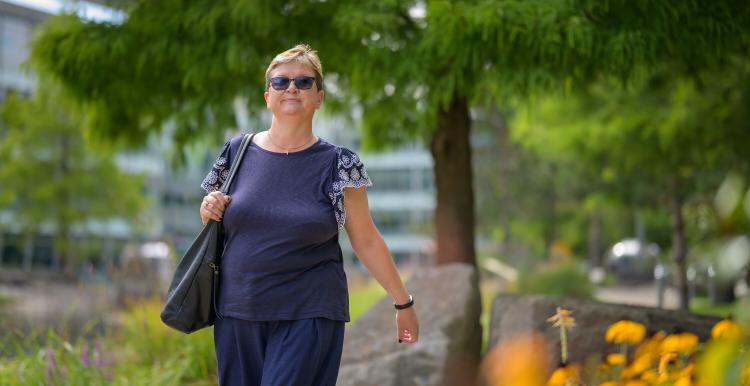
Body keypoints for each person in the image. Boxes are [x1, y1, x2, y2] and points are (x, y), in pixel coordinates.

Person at [198, 44, 420, 385]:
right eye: (281, 81)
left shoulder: (339, 163)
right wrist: (208, 209)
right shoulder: (235, 152)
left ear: (319, 97)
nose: (291, 88)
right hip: (237, 309)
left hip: (308, 311)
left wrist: (402, 304)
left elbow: (366, 239)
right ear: (266, 95)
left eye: (304, 82)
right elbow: (221, 227)